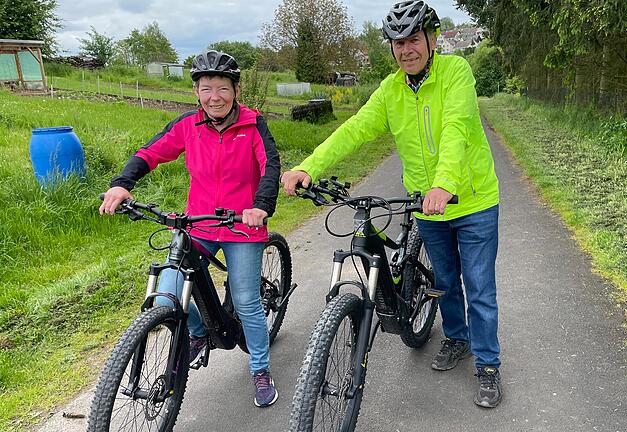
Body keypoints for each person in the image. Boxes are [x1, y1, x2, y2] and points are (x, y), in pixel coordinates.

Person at [281, 0, 502, 408]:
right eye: (397, 43)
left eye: (414, 39)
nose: (406, 49)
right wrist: (308, 166)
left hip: (471, 201)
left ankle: (488, 365)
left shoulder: (456, 74)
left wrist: (445, 185)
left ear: (432, 40)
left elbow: (457, 129)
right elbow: (355, 130)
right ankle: (456, 338)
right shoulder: (391, 88)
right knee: (444, 283)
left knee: (480, 287)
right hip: (425, 205)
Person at [99, 50, 281, 407]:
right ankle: (198, 331)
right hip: (197, 222)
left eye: (223, 88)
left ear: (236, 91)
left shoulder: (253, 123)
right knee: (167, 292)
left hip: (242, 225)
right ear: (197, 92)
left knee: (246, 301)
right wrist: (123, 183)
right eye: (207, 88)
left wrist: (260, 206)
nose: (215, 96)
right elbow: (150, 152)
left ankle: (260, 368)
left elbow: (270, 165)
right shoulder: (188, 125)